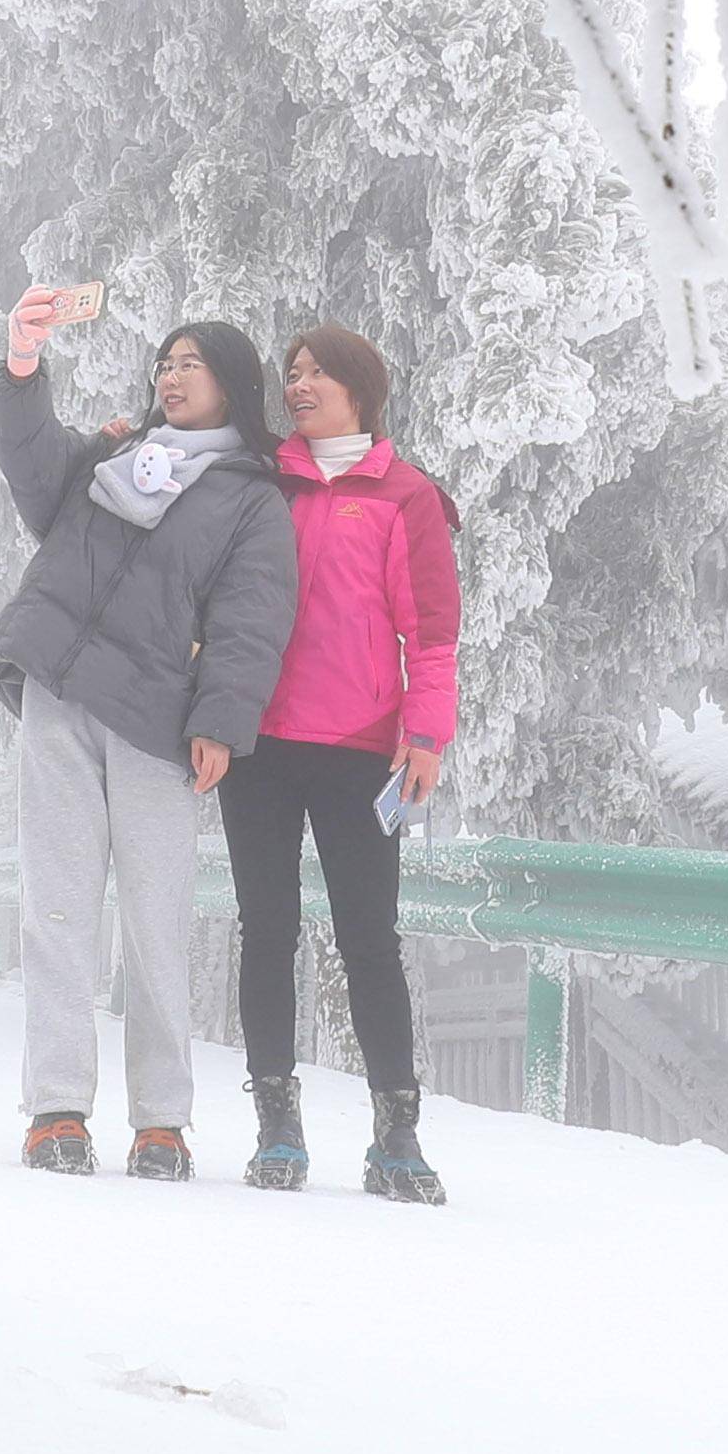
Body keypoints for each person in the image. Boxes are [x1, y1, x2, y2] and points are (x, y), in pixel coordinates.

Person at [0, 290, 297, 1182]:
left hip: (161, 724)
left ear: (232, 384)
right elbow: (30, 464)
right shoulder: (114, 458)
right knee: (56, 906)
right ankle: (56, 1110)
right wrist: (22, 365)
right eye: (166, 360)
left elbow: (252, 617)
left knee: (155, 920)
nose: (172, 373)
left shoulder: (250, 502)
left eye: (192, 361)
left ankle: (162, 1122)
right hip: (58, 693)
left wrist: (224, 724)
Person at [224, 321, 459, 1205]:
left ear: (360, 386)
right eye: (292, 372)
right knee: (267, 929)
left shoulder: (405, 497)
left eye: (317, 371)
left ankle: (397, 1135)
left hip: (362, 749)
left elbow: (430, 635)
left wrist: (426, 735)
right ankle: (276, 1124)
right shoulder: (262, 482)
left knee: (370, 941)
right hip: (260, 747)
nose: (298, 383)